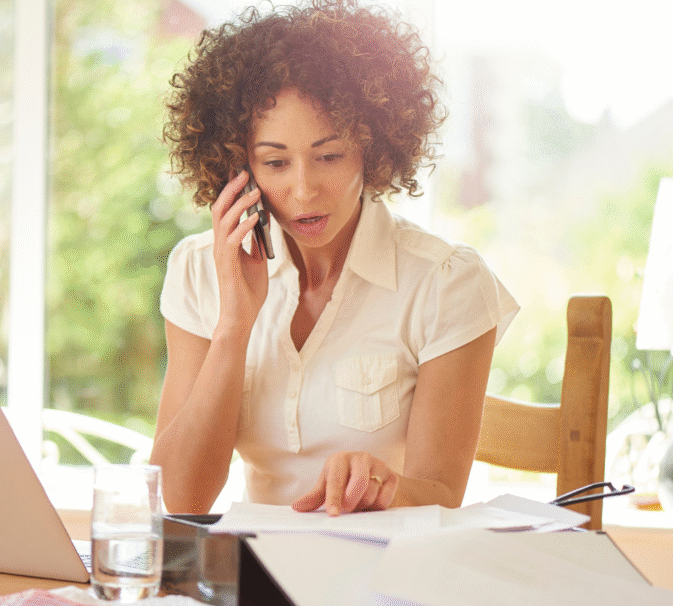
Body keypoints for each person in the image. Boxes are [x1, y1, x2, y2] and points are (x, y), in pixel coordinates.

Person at [151, 0, 518, 516]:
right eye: (275, 162)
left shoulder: (445, 283)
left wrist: (385, 485)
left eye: (329, 156)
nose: (304, 190)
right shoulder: (199, 272)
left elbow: (440, 495)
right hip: (254, 560)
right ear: (239, 168)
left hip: (381, 559)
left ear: (373, 147)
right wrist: (234, 325)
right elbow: (178, 498)